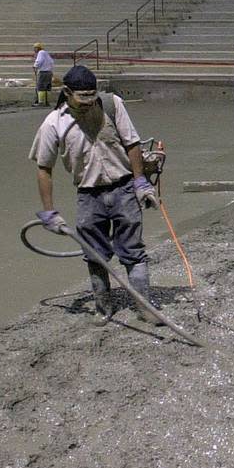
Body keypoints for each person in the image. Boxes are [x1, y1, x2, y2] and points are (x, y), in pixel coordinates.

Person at [29, 65, 161, 325]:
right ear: (67, 92)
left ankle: (144, 307)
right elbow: (44, 168)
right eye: (83, 97)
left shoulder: (112, 105)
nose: (90, 102)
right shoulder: (54, 124)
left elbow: (132, 143)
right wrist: (49, 212)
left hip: (123, 187)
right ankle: (103, 306)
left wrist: (140, 182)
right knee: (94, 253)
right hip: (88, 194)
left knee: (133, 251)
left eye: (92, 95)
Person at [32, 42, 54, 107]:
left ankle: (41, 102)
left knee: (41, 87)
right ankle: (47, 102)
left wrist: (35, 66)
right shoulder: (46, 53)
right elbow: (51, 61)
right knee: (47, 87)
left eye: (35, 48)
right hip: (49, 72)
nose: (34, 49)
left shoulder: (40, 53)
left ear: (37, 48)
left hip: (43, 72)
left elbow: (39, 61)